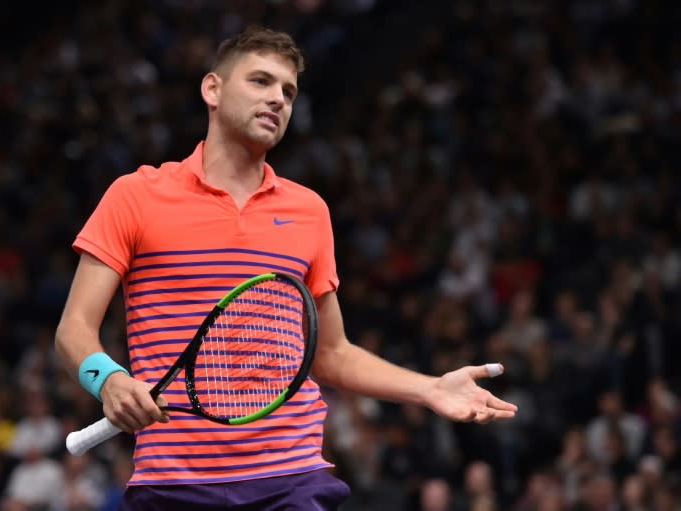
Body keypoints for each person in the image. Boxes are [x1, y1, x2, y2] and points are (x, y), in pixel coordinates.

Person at [54, 26, 518, 510]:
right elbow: (74, 330)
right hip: (172, 483)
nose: (277, 99)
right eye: (260, 81)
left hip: (291, 481)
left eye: (288, 92)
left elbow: (331, 354)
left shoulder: (308, 210)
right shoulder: (136, 195)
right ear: (212, 89)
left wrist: (429, 388)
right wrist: (107, 379)